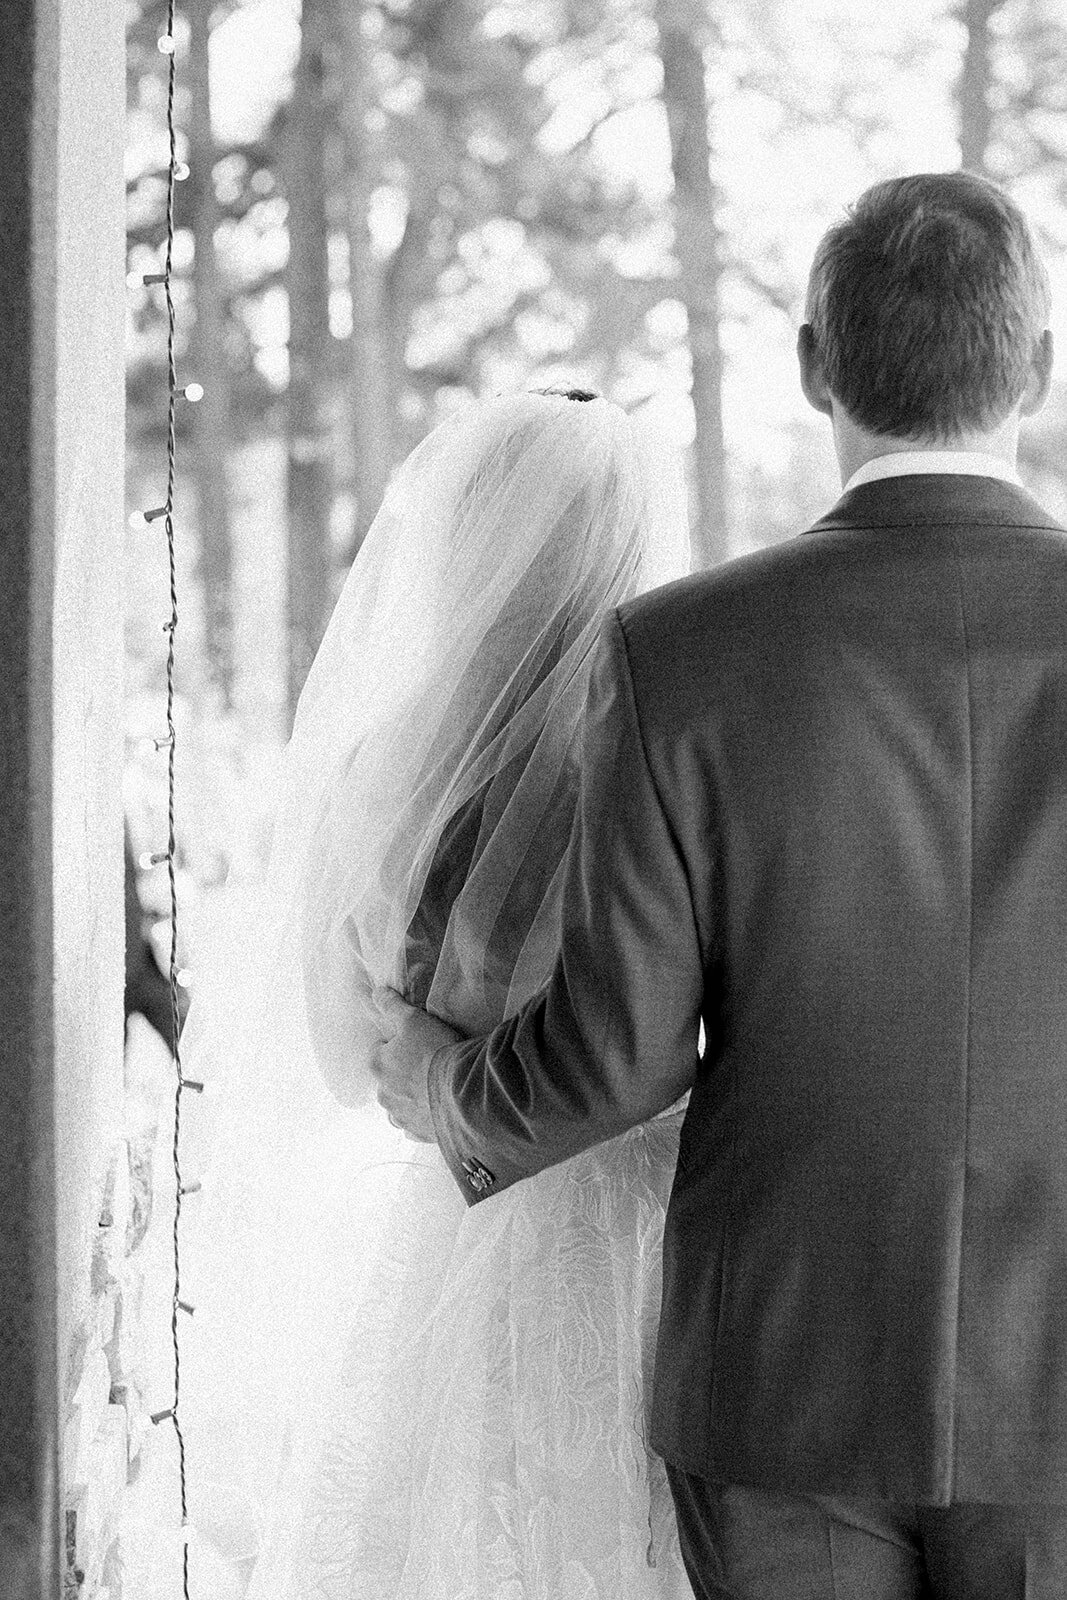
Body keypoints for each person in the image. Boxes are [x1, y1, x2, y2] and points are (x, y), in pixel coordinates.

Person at [375, 171, 1067, 1599]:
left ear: (812, 364)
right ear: (1039, 367)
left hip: (776, 1376)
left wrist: (435, 1088)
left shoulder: (677, 653)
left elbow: (614, 1055)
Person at [178, 388, 695, 1598]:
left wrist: (429, 1035)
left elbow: (337, 1055)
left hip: (453, 1231)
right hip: (649, 1236)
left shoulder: (391, 762)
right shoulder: (667, 753)